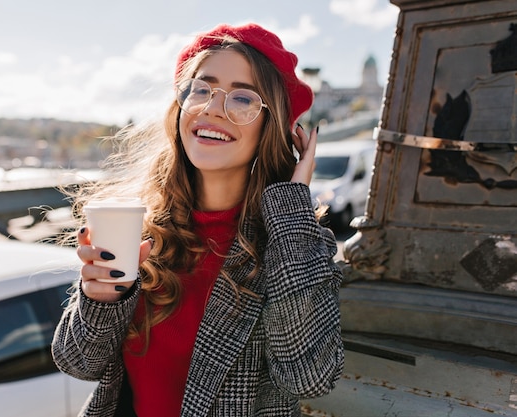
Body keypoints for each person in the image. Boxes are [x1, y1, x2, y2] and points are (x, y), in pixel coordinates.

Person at [51, 22, 344, 417]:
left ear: (270, 127)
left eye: (243, 98)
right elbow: (79, 364)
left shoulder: (298, 245)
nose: (212, 107)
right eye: (201, 90)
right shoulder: (138, 227)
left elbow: (309, 377)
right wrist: (100, 300)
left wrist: (294, 205)